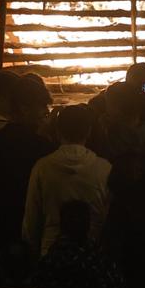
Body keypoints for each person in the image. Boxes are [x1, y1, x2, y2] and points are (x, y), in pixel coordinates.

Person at [22, 104, 112, 255]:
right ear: (88, 131)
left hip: (52, 250)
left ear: (58, 131)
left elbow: (32, 215)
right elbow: (107, 215)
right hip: (91, 251)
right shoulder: (104, 168)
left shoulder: (43, 167)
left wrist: (31, 249)